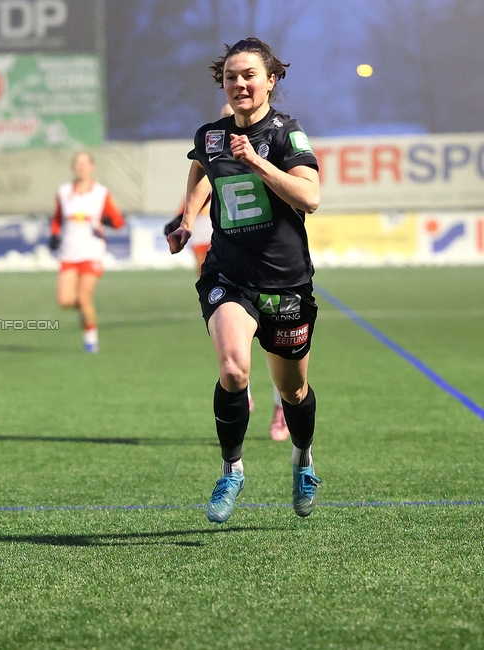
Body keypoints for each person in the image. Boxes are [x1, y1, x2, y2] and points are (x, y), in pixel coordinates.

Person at [166, 38, 321, 523]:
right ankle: (231, 468)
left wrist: (256, 161)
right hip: (229, 275)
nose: (240, 84)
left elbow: (310, 197)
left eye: (250, 75)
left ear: (271, 80)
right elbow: (202, 169)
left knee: (294, 390)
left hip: (286, 282)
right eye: (232, 76)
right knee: (234, 370)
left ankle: (302, 458)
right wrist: (188, 216)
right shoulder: (211, 134)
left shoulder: (286, 135)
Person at [49, 151, 125, 353]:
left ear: (92, 167)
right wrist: (54, 235)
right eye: (78, 164)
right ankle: (85, 312)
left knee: (84, 297)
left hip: (92, 250)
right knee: (65, 301)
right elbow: (57, 218)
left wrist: (106, 221)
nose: (81, 167)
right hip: (69, 250)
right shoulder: (64, 191)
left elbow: (118, 221)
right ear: (73, 167)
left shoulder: (101, 192)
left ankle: (91, 340)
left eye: (85, 163)